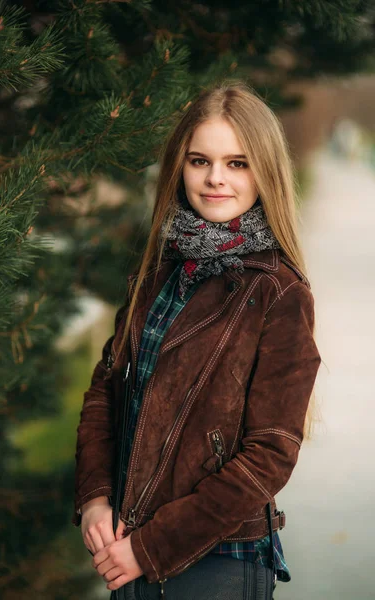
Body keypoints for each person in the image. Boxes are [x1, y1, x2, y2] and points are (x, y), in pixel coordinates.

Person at [72, 81, 322, 600]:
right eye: (199, 160)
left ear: (265, 172)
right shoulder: (159, 268)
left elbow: (270, 454)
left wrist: (152, 548)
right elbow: (106, 389)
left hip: (218, 561)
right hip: (128, 544)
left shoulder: (277, 290)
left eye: (237, 163)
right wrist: (95, 496)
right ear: (178, 167)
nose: (214, 179)